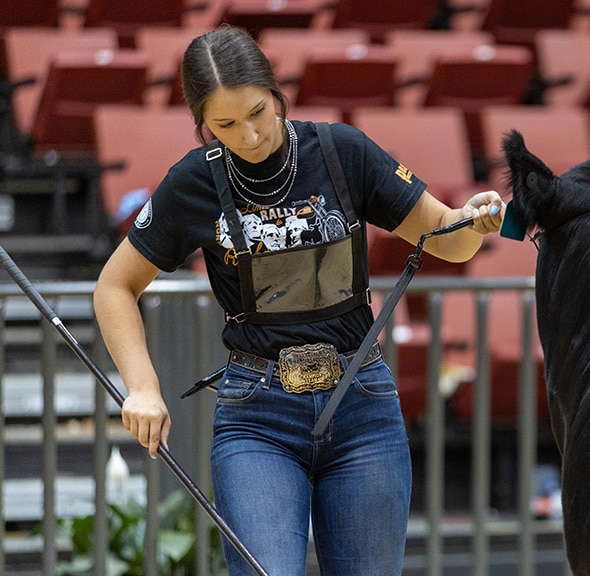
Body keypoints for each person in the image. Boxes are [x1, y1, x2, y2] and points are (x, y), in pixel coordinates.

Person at [92, 26, 504, 576]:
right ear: (201, 124)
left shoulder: (343, 151)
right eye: (225, 125)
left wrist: (475, 220)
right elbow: (114, 287)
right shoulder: (192, 182)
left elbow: (446, 237)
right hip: (256, 416)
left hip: (362, 405)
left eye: (259, 112)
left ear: (277, 91)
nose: (251, 135)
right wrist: (142, 386)